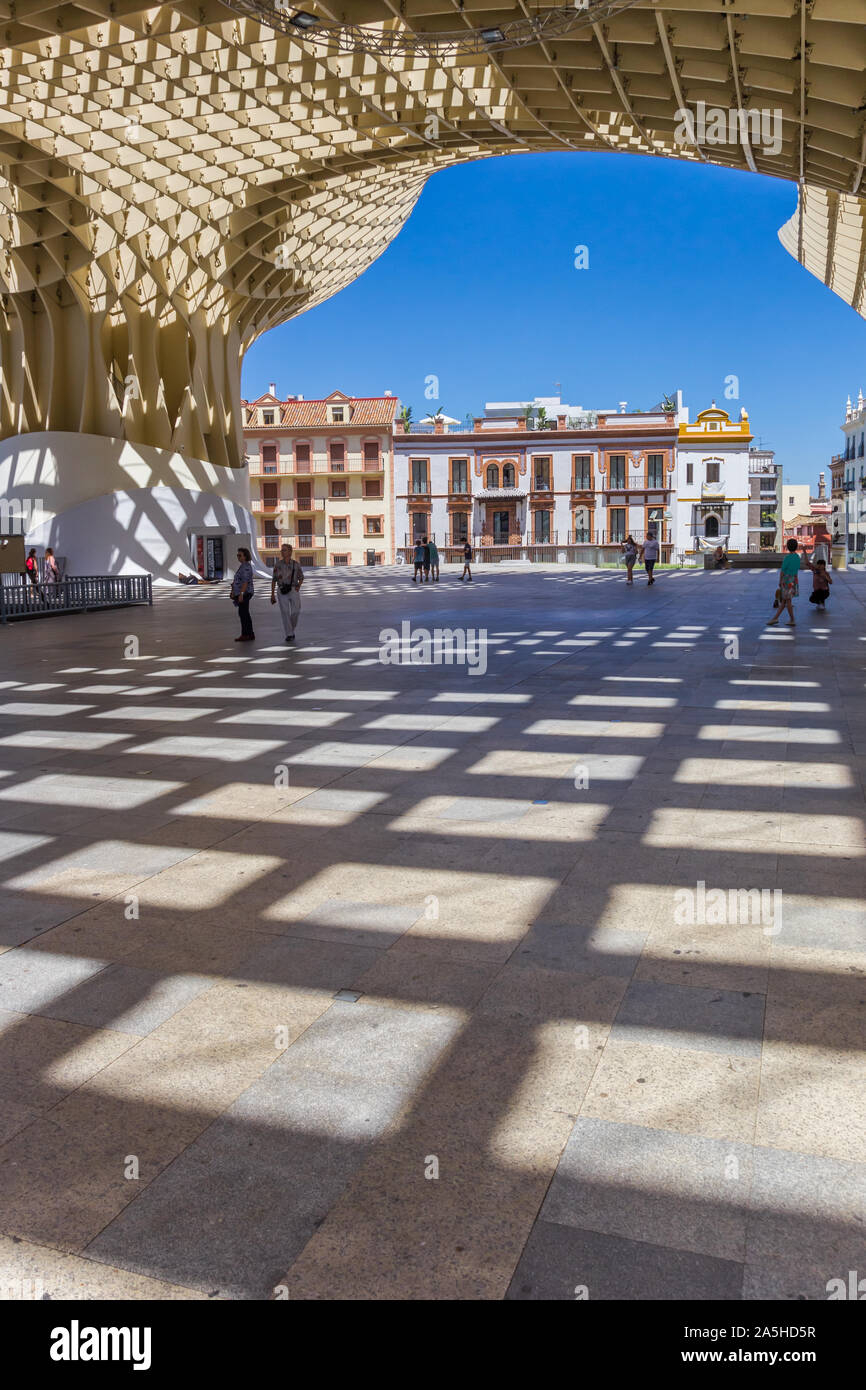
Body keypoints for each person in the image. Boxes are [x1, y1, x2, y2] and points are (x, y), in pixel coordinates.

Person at [270, 542, 304, 642]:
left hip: (293, 589)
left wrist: (299, 586)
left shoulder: (296, 564)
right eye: (281, 550)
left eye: (284, 550)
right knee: (285, 612)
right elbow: (274, 579)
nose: (282, 552)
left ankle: (291, 630)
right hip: (281, 590)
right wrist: (272, 594)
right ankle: (289, 634)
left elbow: (301, 577)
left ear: (290, 552)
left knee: (295, 611)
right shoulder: (278, 564)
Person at [767, 538, 801, 626]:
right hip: (794, 580)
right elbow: (797, 569)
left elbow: (783, 571)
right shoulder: (797, 557)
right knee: (784, 601)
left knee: (787, 601)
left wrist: (780, 580)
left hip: (786, 581)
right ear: (796, 547)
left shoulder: (787, 558)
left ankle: (792, 619)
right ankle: (775, 618)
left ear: (787, 547)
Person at [231, 546, 255, 641]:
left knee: (243, 613)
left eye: (240, 555)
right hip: (243, 593)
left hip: (245, 593)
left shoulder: (245, 567)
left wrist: (241, 593)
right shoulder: (243, 566)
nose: (238, 557)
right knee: (245, 613)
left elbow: (245, 582)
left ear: (245, 556)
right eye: (237, 555)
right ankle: (249, 633)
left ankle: (245, 634)